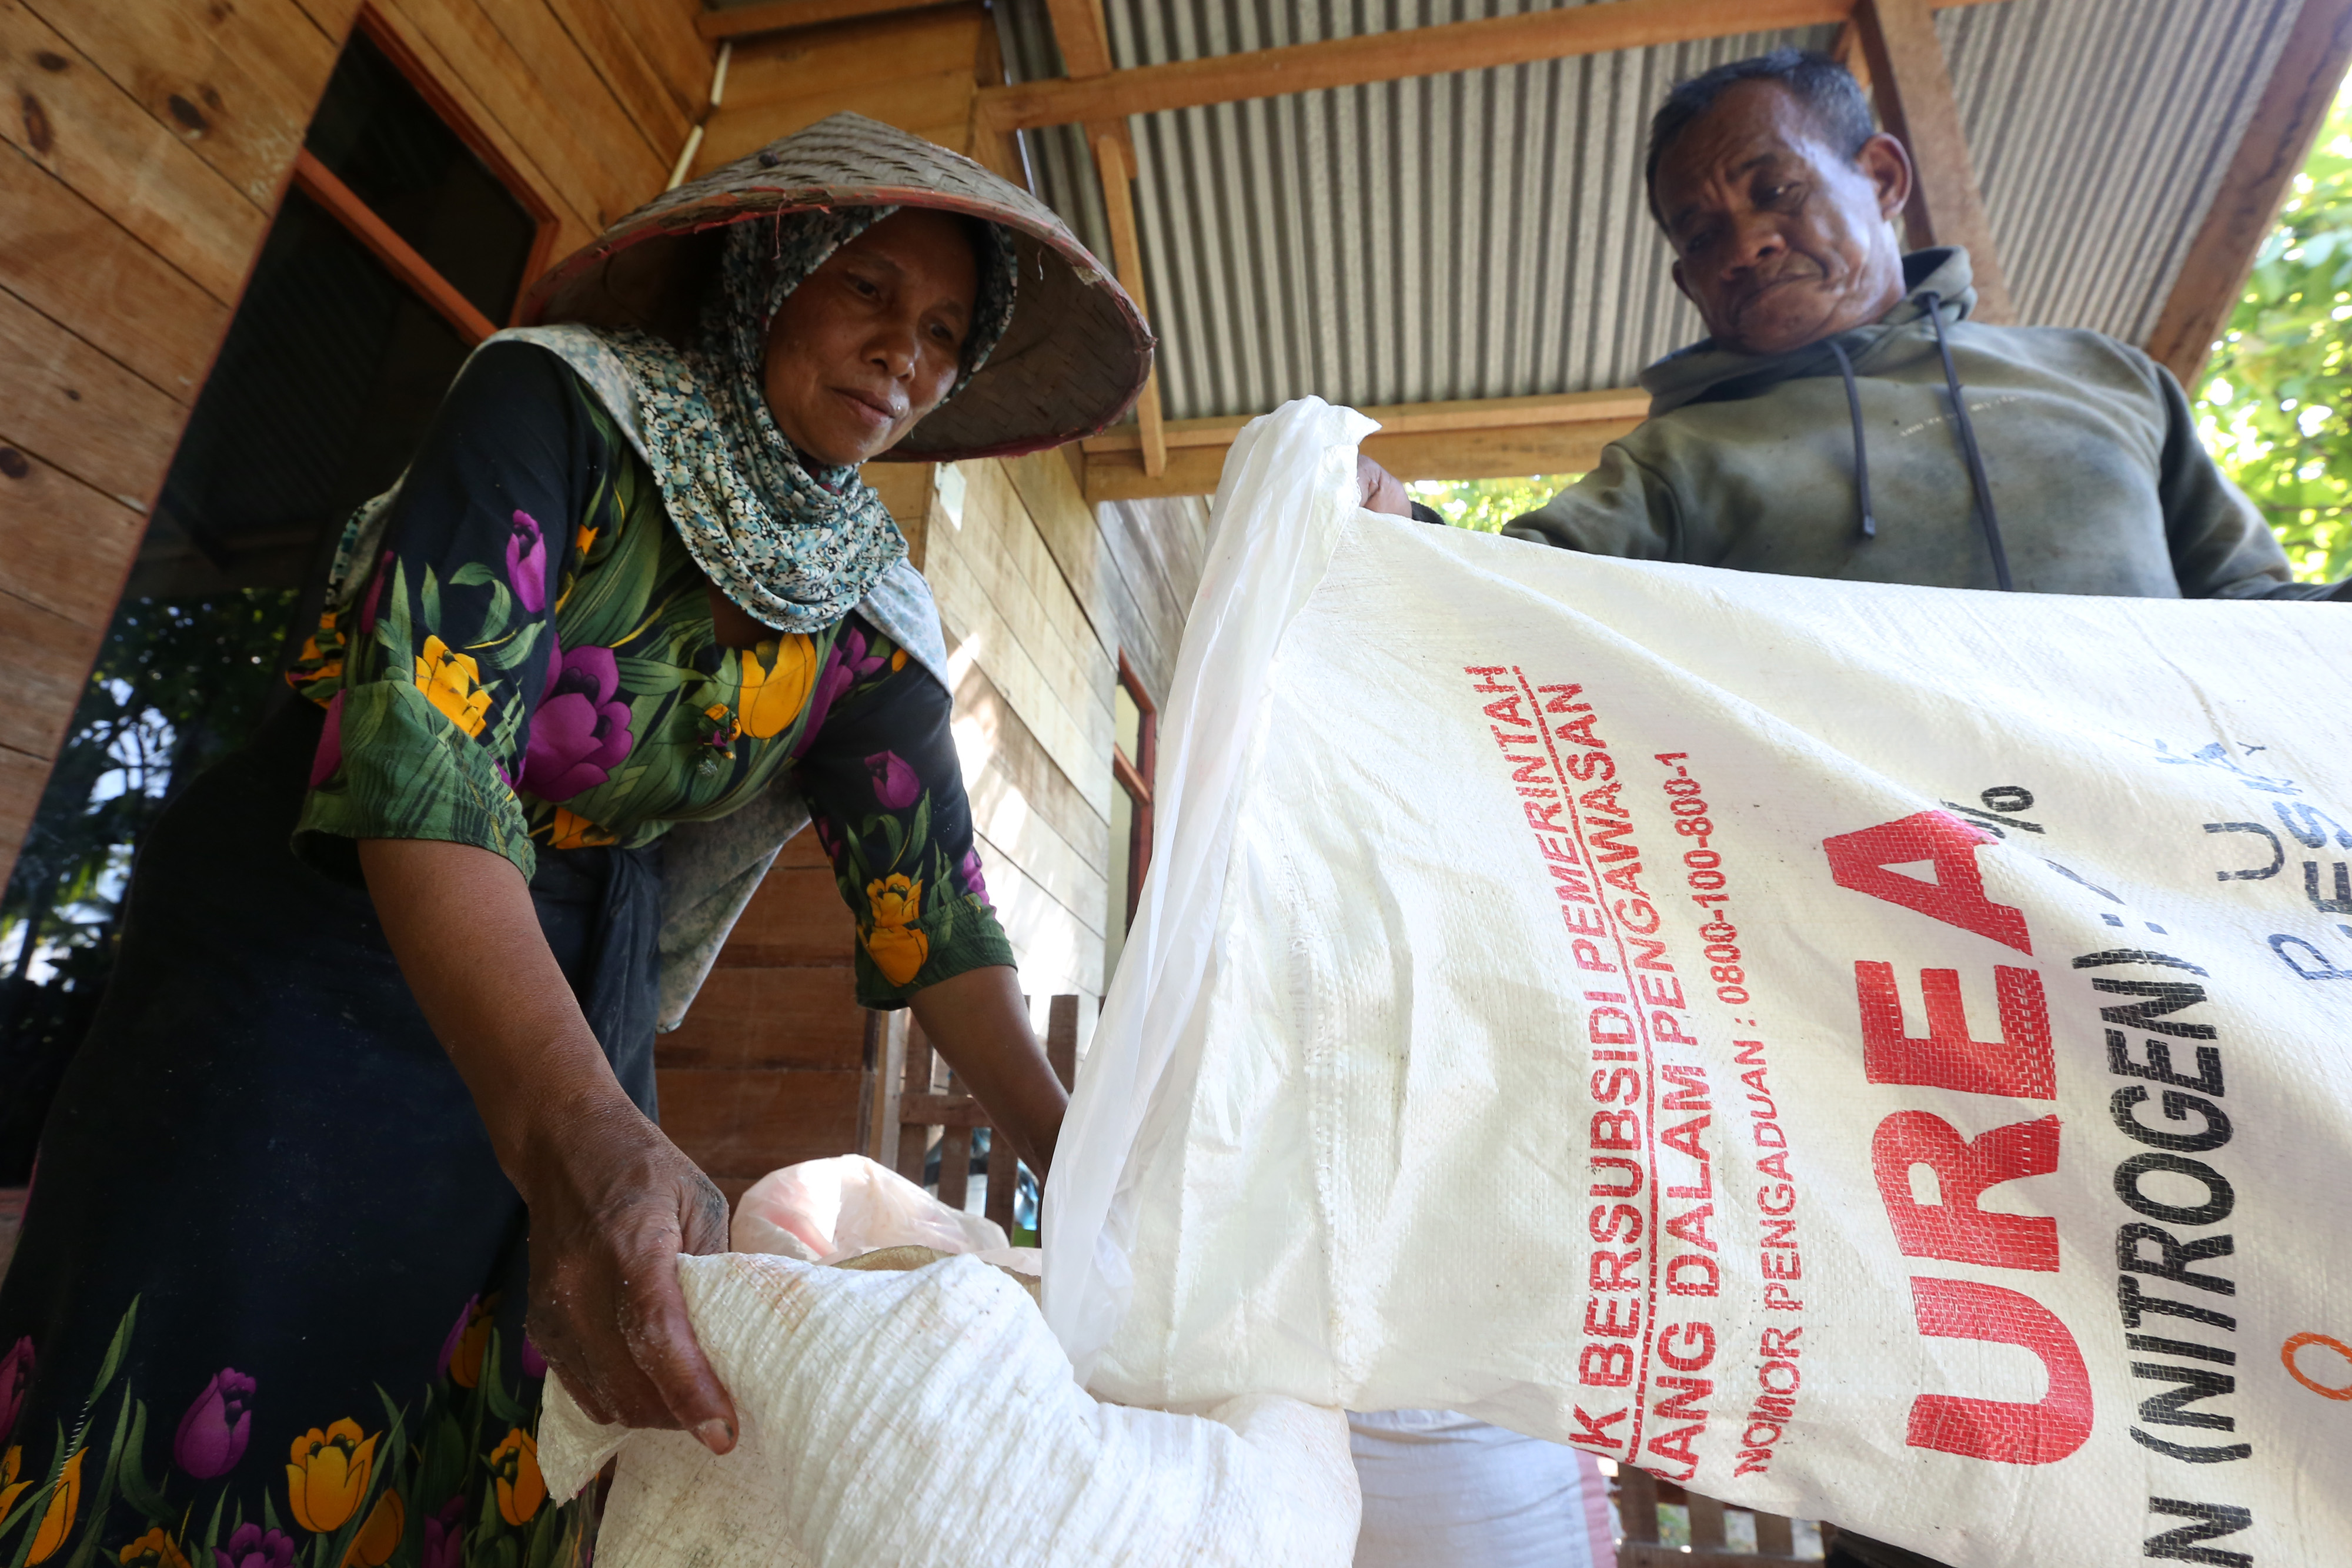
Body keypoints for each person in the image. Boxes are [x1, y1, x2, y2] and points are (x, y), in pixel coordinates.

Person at [0, 114, 1150, 1568]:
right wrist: (590, 1132)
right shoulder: (554, 411)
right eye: (869, 290)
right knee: (203, 1351)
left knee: (486, 1421)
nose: (902, 356)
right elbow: (423, 756)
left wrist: (1092, 1173)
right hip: (315, 938)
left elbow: (938, 921)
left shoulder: (866, 608)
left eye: (940, 333)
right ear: (767, 268)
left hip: (569, 978)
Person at [1480, 48, 2347, 603]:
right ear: (1688, 280)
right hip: (1863, 881)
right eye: (1702, 234)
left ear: (1885, 178)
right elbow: (1503, 603)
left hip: (2180, 855)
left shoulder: (2106, 375)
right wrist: (1398, 522)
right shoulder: (1672, 461)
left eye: (1775, 190)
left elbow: (2256, 622)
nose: (1744, 245)